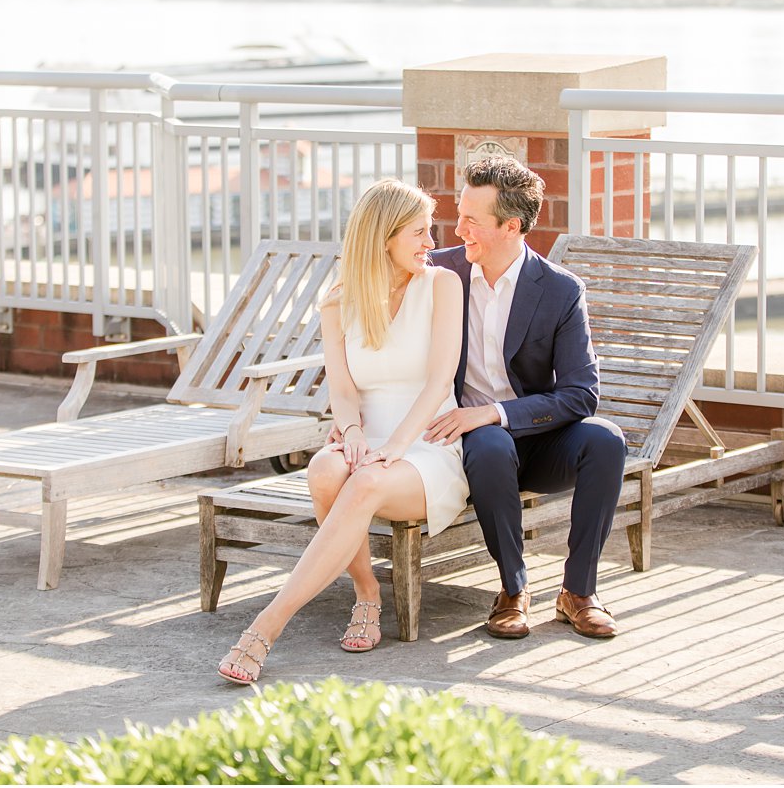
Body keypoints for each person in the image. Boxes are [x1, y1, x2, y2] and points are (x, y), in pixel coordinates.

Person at [218, 178, 465, 684]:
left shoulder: (442, 286)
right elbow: (344, 387)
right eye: (419, 232)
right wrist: (352, 432)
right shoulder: (338, 301)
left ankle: (266, 626)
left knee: (365, 481)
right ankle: (368, 594)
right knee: (325, 470)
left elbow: (440, 380)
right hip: (370, 438)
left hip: (428, 445)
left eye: (430, 230)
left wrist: (392, 449)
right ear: (384, 237)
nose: (430, 243)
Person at [424, 156, 628, 640]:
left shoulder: (559, 290)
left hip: (538, 439)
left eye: (472, 220)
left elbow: (582, 393)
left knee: (606, 440)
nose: (459, 228)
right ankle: (512, 592)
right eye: (460, 214)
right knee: (490, 444)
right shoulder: (438, 272)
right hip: (468, 443)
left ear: (511, 226)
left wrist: (494, 412)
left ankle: (578, 593)